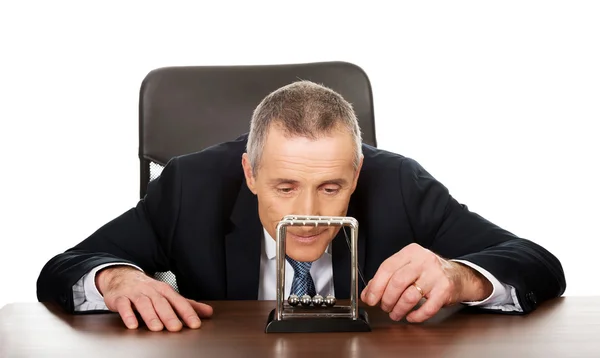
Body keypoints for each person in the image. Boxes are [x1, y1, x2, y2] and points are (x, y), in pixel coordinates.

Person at [37, 80, 566, 332]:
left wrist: (459, 277)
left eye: (332, 187)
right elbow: (63, 269)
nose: (307, 214)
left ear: (357, 174)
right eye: (285, 187)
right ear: (249, 172)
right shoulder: (191, 187)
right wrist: (116, 279)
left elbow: (537, 262)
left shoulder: (399, 183)